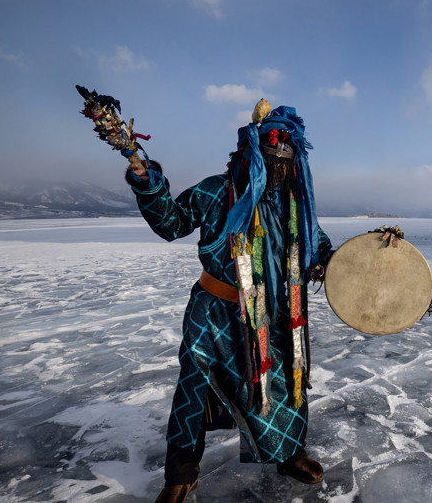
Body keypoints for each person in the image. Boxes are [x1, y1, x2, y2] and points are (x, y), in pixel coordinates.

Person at [126, 101, 334, 503]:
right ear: (250, 155)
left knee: (283, 386)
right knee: (194, 389)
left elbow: (317, 246)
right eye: (270, 158)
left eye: (285, 160)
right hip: (214, 312)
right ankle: (181, 476)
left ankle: (288, 454)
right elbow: (172, 222)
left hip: (273, 316)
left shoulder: (296, 205)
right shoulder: (216, 190)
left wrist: (337, 261)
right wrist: (147, 181)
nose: (278, 167)